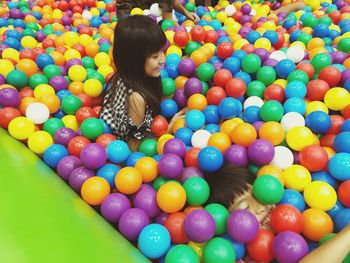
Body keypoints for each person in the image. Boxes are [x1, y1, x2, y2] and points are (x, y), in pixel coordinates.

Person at [205, 163, 350, 262]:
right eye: (245, 208)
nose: (261, 206)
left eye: (259, 194)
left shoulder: (299, 210)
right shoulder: (240, 257)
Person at [100, 15, 186, 151]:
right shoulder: (136, 99)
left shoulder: (130, 73)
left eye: (162, 52)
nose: (163, 60)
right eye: (155, 56)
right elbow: (134, 148)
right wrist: (169, 129)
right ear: (135, 61)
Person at [116, 0, 199, 22]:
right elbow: (168, 21)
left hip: (153, 19)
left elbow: (172, 2)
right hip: (135, 23)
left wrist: (186, 13)